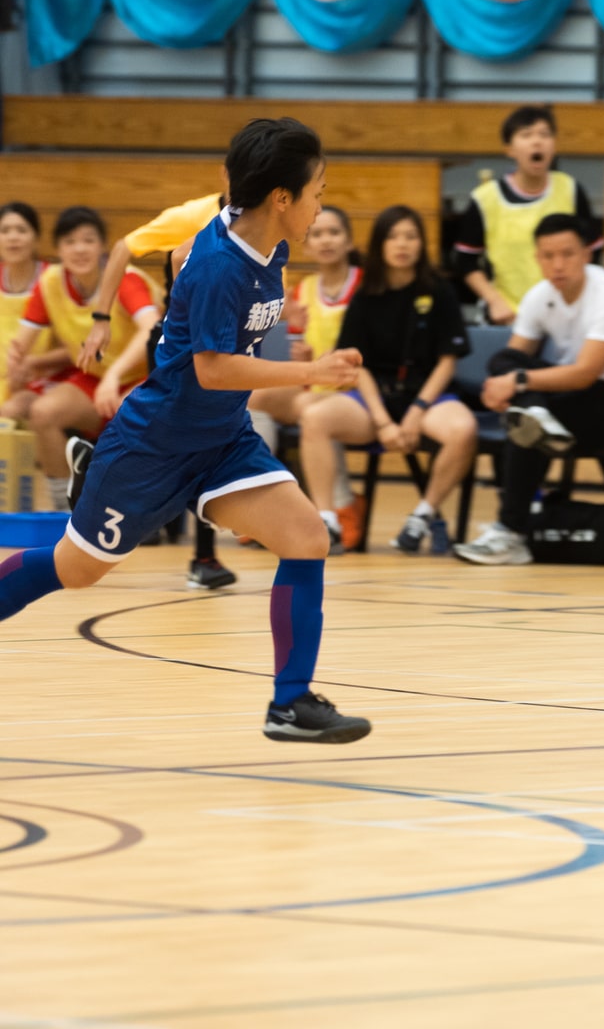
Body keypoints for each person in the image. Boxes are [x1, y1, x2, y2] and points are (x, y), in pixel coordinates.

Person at [0, 117, 373, 743]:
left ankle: (290, 705)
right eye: (318, 191)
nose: (321, 205)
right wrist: (312, 371)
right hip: (153, 445)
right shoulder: (222, 265)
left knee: (308, 537)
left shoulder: (264, 241)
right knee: (75, 569)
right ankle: (101, 468)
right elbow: (214, 369)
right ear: (282, 197)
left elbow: (178, 257)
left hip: (221, 441)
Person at [452, 213, 604, 566]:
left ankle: (510, 533)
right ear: (538, 258)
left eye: (567, 254)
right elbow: (513, 358)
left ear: (587, 254)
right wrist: (505, 384)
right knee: (505, 366)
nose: (558, 264)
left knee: (524, 420)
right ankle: (534, 414)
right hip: (567, 397)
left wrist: (517, 384)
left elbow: (584, 374)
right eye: (548, 256)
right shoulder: (540, 295)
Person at [76, 186, 238, 589]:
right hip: (179, 343)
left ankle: (94, 466)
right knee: (194, 441)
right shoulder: (195, 217)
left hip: (224, 344)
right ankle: (204, 557)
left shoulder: (269, 232)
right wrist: (101, 318)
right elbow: (126, 249)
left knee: (187, 442)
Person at [297, 205, 476, 555]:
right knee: (315, 418)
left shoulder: (440, 292)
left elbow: (447, 362)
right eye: (393, 237)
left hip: (427, 399)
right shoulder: (366, 295)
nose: (402, 244)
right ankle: (327, 520)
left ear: (422, 244)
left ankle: (422, 516)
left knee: (463, 429)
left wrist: (416, 413)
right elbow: (358, 365)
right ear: (380, 244)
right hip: (374, 400)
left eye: (411, 237)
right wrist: (383, 422)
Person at [3, 207, 161, 512]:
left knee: (129, 415)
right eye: (70, 241)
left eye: (88, 240)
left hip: (148, 376)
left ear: (103, 246)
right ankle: (65, 508)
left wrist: (114, 376)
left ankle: (132, 512)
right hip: (94, 378)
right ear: (58, 249)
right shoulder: (51, 282)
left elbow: (151, 329)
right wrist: (18, 364)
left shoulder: (125, 278)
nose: (79, 249)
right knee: (42, 412)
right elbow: (22, 341)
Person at [248, 205, 367, 548]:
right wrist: (302, 356)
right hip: (314, 387)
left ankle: (342, 507)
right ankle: (258, 498)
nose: (326, 240)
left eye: (334, 232)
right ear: (308, 243)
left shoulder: (367, 286)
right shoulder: (301, 292)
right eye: (317, 234)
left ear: (349, 240)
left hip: (358, 391)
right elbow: (300, 351)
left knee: (315, 411)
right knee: (252, 399)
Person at [452, 104, 602, 325]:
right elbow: (465, 261)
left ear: (554, 145)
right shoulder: (485, 198)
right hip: (507, 317)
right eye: (526, 135)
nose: (537, 141)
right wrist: (494, 300)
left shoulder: (571, 190)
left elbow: (593, 253)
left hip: (564, 317)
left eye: (544, 134)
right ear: (509, 149)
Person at [0, 203, 48, 408]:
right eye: (5, 230)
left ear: (36, 238)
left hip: (42, 379)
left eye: (21, 230)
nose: (13, 237)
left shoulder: (52, 279)